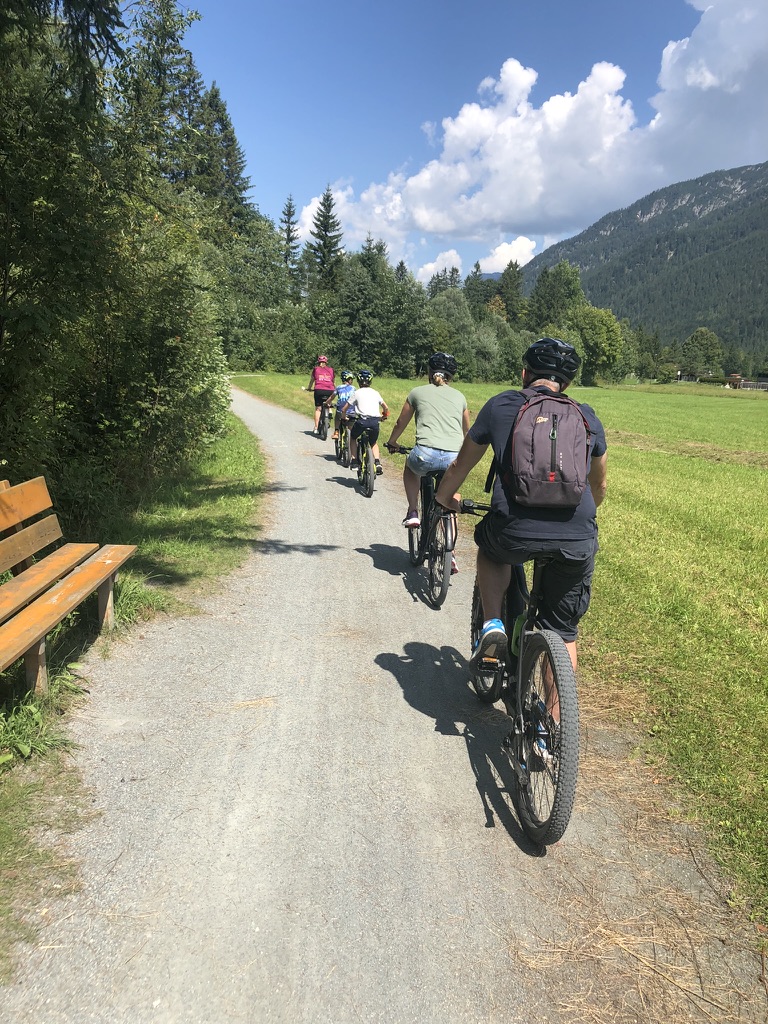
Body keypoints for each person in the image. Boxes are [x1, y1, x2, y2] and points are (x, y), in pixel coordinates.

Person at [434, 338, 607, 675]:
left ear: (525, 373)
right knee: (563, 632)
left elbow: (460, 466)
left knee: (492, 548)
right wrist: (581, 519)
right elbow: (598, 485)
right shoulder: (587, 416)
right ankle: (558, 708)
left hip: (514, 529)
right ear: (567, 383)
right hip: (576, 535)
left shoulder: (501, 405)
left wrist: (444, 498)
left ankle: (492, 624)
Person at [385, 352, 470, 528]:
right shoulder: (460, 397)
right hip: (454, 457)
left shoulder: (417, 392)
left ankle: (413, 511)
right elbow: (467, 431)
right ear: (451, 376)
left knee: (410, 467)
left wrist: (393, 442)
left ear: (429, 372)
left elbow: (400, 422)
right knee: (450, 495)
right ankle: (450, 542)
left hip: (425, 454)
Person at [341, 370, 389, 475]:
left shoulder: (357, 393)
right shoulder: (375, 393)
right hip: (375, 422)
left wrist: (344, 417)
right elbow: (385, 407)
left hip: (362, 421)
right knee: (373, 442)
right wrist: (384, 416)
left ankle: (354, 461)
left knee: (353, 437)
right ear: (370, 382)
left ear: (358, 381)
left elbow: (345, 409)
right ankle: (377, 462)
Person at [306, 355, 335, 434]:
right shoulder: (331, 370)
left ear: (318, 362)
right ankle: (329, 410)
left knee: (318, 409)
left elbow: (312, 380)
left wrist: (309, 388)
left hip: (319, 390)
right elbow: (333, 381)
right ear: (326, 362)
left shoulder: (316, 369)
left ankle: (316, 427)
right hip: (330, 390)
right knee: (328, 402)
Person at [325, 370, 356, 440]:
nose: (352, 381)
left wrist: (326, 403)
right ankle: (350, 436)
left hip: (341, 411)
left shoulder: (339, 387)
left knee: (337, 416)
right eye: (351, 379)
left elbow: (332, 397)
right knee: (351, 427)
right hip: (352, 412)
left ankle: (336, 432)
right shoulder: (353, 388)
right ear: (349, 380)